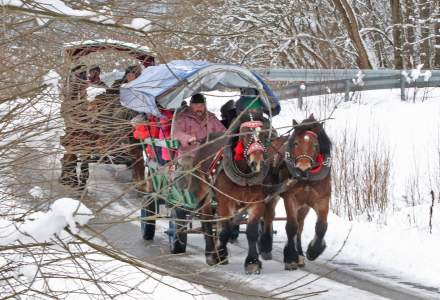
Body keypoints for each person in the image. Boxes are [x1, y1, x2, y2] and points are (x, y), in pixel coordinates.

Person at [174, 93, 226, 158]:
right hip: (190, 155)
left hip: (209, 154)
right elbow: (176, 132)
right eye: (196, 105)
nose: (199, 108)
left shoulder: (211, 118)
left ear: (205, 106)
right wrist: (187, 138)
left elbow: (223, 131)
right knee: (187, 163)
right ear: (190, 105)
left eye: (202, 105)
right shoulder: (183, 117)